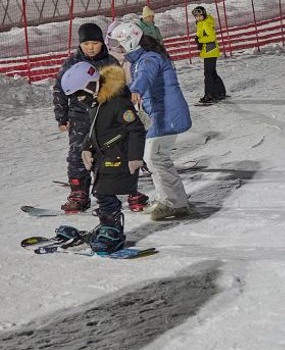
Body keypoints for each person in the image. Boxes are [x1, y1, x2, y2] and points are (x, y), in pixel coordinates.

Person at [60, 61, 145, 254]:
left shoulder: (117, 102)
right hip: (103, 156)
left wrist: (135, 156)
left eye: (80, 94)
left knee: (105, 193)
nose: (79, 99)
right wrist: (86, 148)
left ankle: (113, 231)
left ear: (91, 85)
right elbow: (93, 130)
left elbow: (136, 129)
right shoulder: (96, 103)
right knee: (100, 192)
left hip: (120, 156)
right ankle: (107, 225)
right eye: (75, 96)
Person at [111, 22, 192, 221]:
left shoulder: (149, 59)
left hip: (166, 115)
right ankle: (174, 200)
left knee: (155, 157)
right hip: (160, 114)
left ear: (131, 43)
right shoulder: (141, 59)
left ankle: (173, 202)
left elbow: (145, 76)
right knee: (157, 158)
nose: (118, 50)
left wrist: (136, 91)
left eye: (120, 45)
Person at [52, 22, 121, 213]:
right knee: (77, 154)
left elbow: (120, 89)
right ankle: (78, 192)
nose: (90, 47)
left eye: (95, 43)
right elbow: (59, 90)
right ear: (80, 44)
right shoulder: (71, 63)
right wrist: (62, 116)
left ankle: (111, 189)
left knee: (108, 152)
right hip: (79, 116)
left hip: (104, 116)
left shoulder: (110, 62)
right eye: (86, 44)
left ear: (102, 43)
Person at [192, 5, 227, 104]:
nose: (198, 18)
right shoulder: (201, 24)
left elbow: (212, 37)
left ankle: (209, 95)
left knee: (208, 74)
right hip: (209, 51)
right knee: (212, 73)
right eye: (196, 16)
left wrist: (200, 40)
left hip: (210, 51)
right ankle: (219, 92)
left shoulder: (205, 24)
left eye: (200, 16)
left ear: (204, 14)